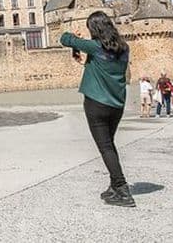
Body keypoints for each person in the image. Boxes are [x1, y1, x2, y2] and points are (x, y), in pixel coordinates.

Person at [60, 11, 136, 207]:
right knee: (109, 144)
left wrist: (75, 38)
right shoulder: (124, 48)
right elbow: (104, 64)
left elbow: (64, 38)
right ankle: (114, 186)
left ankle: (122, 189)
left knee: (105, 147)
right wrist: (82, 55)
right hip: (116, 104)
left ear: (94, 29)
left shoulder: (94, 47)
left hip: (96, 103)